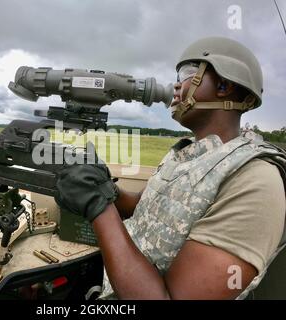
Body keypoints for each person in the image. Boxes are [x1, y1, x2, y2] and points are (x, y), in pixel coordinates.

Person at [55, 37, 286, 299]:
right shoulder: (186, 153)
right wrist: (103, 186)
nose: (176, 84)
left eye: (188, 73)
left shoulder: (255, 179)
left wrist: (99, 207)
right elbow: (139, 205)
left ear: (224, 85)